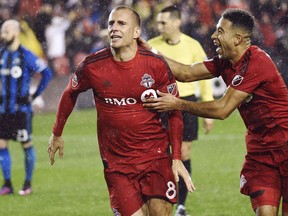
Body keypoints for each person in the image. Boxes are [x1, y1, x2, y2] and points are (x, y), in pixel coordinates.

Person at [47, 5, 195, 216]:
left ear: (137, 32)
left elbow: (174, 112)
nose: (114, 28)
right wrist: (57, 132)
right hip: (117, 165)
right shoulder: (92, 65)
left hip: (156, 158)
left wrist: (177, 157)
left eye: (121, 23)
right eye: (111, 23)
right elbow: (70, 92)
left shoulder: (156, 65)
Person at [142, 8, 288, 216]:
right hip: (260, 152)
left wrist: (178, 104)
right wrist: (149, 51)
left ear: (238, 39)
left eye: (220, 31)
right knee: (265, 213)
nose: (213, 36)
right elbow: (185, 72)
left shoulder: (257, 62)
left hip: (286, 147)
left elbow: (222, 109)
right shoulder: (225, 62)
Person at [147, 5, 214, 216]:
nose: (159, 26)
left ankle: (181, 206)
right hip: (159, 103)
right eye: (158, 22)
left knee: (183, 153)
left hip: (185, 102)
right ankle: (161, 200)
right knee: (161, 155)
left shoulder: (193, 45)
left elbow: (203, 78)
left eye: (163, 22)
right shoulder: (151, 46)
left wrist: (207, 109)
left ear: (177, 23)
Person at [0, 19, 53, 195]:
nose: (2, 35)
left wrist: (34, 95)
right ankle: (7, 184)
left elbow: (46, 73)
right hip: (4, 109)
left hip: (21, 110)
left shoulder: (26, 55)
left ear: (14, 32)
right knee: (1, 144)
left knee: (26, 144)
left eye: (5, 32)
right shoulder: (1, 54)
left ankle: (27, 183)